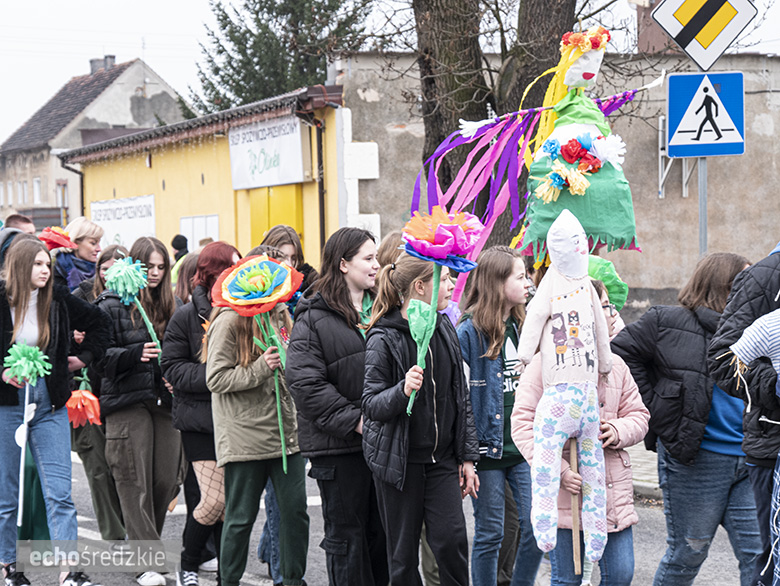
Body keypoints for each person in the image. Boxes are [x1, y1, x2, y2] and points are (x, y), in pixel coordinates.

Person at [613, 253, 761, 586]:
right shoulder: (666, 321)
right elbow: (620, 354)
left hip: (749, 459)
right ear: (722, 285)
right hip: (696, 460)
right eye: (745, 281)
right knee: (687, 554)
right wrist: (654, 408)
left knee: (759, 555)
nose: (754, 288)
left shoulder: (754, 327)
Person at [512, 279, 650, 586]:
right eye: (599, 309)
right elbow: (522, 425)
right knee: (568, 578)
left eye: (607, 309)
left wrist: (616, 429)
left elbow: (640, 416)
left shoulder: (615, 366)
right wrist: (558, 470)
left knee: (620, 573)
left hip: (610, 490)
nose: (607, 315)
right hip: (566, 494)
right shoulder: (541, 366)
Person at [362, 252, 479, 586]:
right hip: (400, 465)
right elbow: (371, 404)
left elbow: (460, 395)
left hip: (440, 461)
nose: (453, 284)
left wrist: (468, 457)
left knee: (452, 541)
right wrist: (402, 390)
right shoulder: (383, 337)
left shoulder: (443, 326)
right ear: (421, 286)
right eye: (445, 278)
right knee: (402, 557)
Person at [0, 237, 109, 586]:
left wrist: (85, 356)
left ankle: (69, 569)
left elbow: (100, 325)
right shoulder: (2, 300)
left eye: (47, 264)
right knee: (7, 493)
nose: (45, 270)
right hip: (7, 403)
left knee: (59, 491)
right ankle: (8, 565)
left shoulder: (58, 298)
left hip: (50, 400)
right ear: (19, 266)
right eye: (37, 264)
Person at [286, 227, 387, 586]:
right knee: (348, 539)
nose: (377, 265)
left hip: (383, 445)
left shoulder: (384, 310)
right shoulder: (313, 317)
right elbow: (305, 384)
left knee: (383, 539)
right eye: (368, 258)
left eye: (376, 257)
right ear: (343, 264)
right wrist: (357, 422)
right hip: (340, 448)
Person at [204, 256, 308, 586]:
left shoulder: (280, 312)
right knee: (240, 518)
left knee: (296, 513)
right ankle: (229, 581)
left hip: (285, 434)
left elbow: (293, 361)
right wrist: (261, 367)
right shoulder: (228, 319)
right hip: (244, 437)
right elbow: (215, 378)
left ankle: (293, 580)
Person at [94, 237, 182, 586]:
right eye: (149, 268)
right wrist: (134, 355)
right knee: (134, 482)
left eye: (162, 268)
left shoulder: (170, 304)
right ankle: (146, 561)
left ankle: (148, 551)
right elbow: (98, 361)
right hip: (126, 402)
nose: (156, 274)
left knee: (164, 481)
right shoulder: (111, 303)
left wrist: (177, 376)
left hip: (164, 403)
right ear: (134, 265)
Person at [456, 245, 543, 586]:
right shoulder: (468, 332)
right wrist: (464, 456)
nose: (528, 283)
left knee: (538, 528)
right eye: (520, 277)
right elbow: (458, 397)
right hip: (487, 452)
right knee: (490, 533)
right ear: (496, 283)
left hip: (524, 447)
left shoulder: (526, 325)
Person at [162, 242, 240, 586]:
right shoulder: (186, 316)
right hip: (199, 421)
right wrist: (219, 375)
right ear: (213, 272)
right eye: (233, 266)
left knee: (228, 507)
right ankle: (188, 563)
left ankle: (227, 573)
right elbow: (173, 369)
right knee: (213, 501)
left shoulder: (242, 310)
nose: (239, 272)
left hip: (236, 420)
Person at [707, 245, 780, 586]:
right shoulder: (764, 276)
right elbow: (724, 360)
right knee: (771, 559)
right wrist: (776, 386)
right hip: (771, 446)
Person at [70, 244, 128, 543]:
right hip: (85, 395)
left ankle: (129, 524)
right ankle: (114, 534)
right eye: (104, 268)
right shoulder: (81, 297)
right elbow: (55, 337)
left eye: (116, 268)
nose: (108, 274)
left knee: (125, 467)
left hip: (120, 395)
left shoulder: (134, 301)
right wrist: (75, 338)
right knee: (98, 467)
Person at [261, 225, 319, 296]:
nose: (289, 264)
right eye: (282, 257)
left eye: (293, 258)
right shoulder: (254, 283)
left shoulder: (311, 284)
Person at [52, 217, 103, 291]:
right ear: (75, 242)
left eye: (99, 243)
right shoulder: (54, 272)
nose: (99, 249)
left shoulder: (101, 270)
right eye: (93, 243)